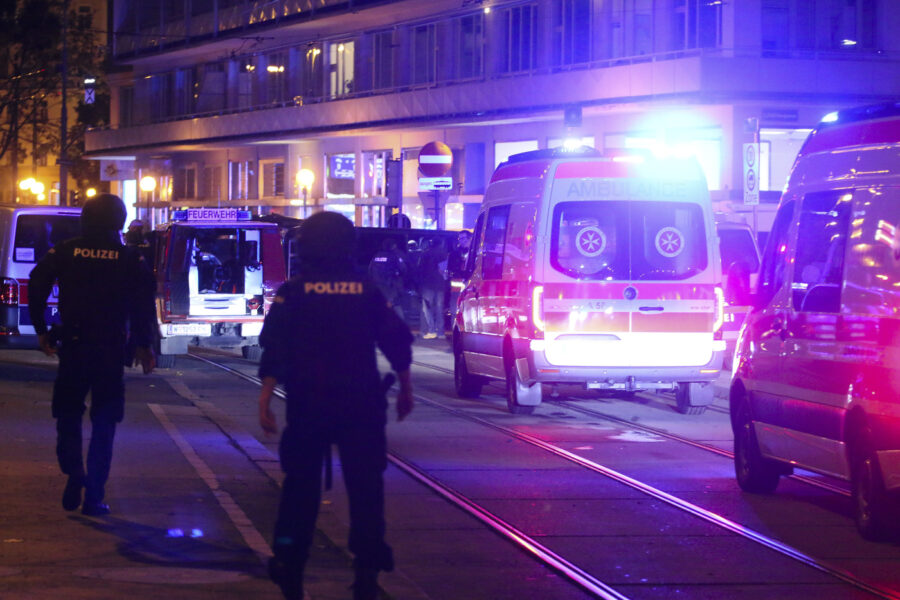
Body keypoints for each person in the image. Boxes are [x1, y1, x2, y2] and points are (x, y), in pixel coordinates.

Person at [257, 211, 414, 600]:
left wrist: (265, 400)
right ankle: (366, 570)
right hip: (360, 404)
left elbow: (273, 346)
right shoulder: (365, 290)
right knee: (365, 489)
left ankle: (290, 566)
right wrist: (406, 387)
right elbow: (396, 341)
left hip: (309, 404)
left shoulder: (293, 292)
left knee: (300, 490)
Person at [28, 194, 157, 517]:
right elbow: (144, 305)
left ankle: (74, 473)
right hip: (110, 350)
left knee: (68, 414)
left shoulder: (67, 251)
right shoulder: (130, 258)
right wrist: (145, 345)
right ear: (120, 221)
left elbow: (36, 281)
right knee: (105, 423)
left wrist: (42, 327)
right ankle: (94, 495)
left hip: (73, 345)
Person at [417, 237, 449, 339]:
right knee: (439, 308)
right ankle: (440, 332)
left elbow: (420, 269)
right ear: (441, 243)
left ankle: (431, 330)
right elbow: (447, 270)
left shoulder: (425, 254)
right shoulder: (444, 254)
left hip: (428, 285)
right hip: (440, 285)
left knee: (426, 308)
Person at [367, 238, 407, 320]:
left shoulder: (376, 256)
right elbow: (403, 269)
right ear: (392, 246)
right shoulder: (394, 256)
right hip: (390, 287)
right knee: (396, 306)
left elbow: (370, 270)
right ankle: (401, 327)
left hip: (377, 287)